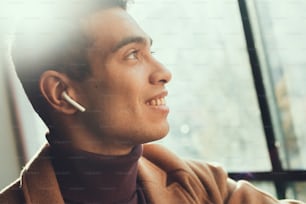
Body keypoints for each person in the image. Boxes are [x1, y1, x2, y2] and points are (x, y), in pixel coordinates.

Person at [0, 0, 304, 203]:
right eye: (132, 55)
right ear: (61, 93)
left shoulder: (202, 186)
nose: (164, 73)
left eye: (150, 52)